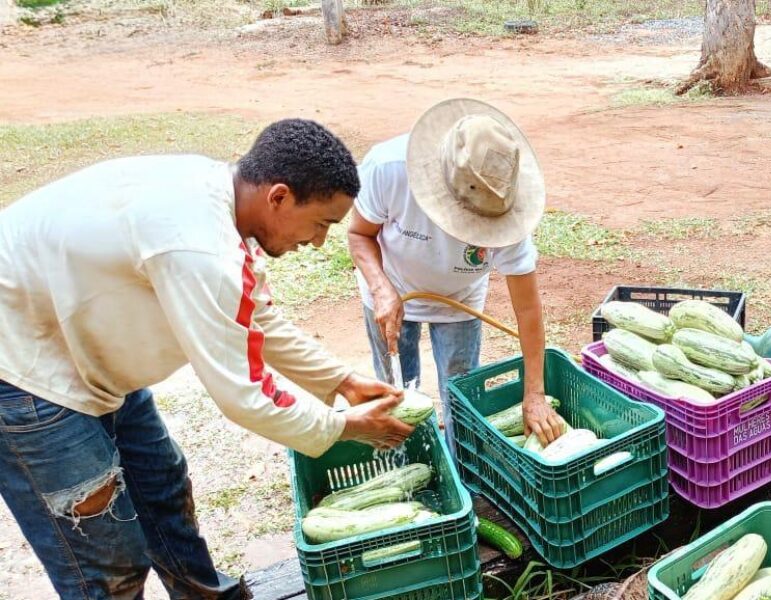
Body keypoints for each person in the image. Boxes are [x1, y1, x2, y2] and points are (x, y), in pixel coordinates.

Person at [0, 119, 415, 599]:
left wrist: (342, 381)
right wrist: (344, 426)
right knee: (107, 559)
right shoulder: (200, 246)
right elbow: (244, 393)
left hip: (84, 354)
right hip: (24, 372)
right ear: (278, 197)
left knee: (162, 489)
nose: (320, 241)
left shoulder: (222, 203)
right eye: (321, 223)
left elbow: (254, 317)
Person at [348, 98, 565, 447]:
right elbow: (359, 234)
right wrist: (380, 288)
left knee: (461, 395)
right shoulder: (388, 168)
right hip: (391, 291)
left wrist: (535, 394)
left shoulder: (509, 210)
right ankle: (407, 459)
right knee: (395, 395)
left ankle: (460, 471)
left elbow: (527, 310)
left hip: (460, 300)